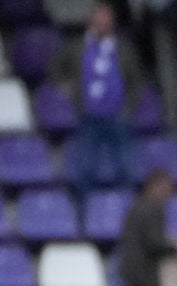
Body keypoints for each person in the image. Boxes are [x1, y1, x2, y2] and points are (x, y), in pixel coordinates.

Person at [70, 3, 137, 198]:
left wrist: (129, 105)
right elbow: (55, 66)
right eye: (98, 18)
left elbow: (137, 80)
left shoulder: (124, 49)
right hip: (89, 116)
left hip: (117, 116)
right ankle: (84, 218)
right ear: (91, 21)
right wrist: (66, 87)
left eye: (106, 19)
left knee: (125, 168)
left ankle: (126, 212)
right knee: (85, 169)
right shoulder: (78, 46)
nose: (102, 22)